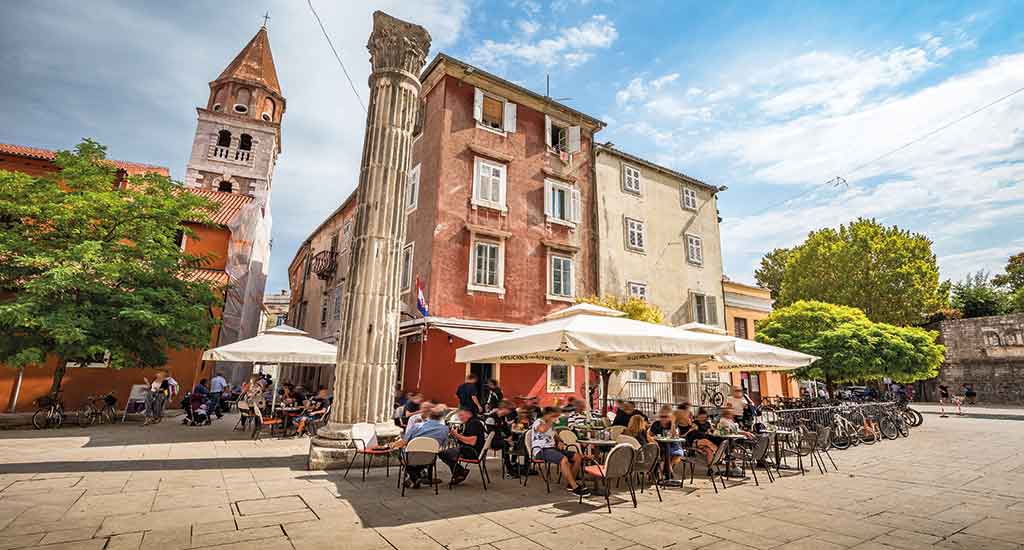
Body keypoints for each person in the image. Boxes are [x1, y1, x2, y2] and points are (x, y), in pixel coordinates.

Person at [530, 407, 590, 496]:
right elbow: (542, 429)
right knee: (563, 459)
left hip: (552, 449)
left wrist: (560, 441)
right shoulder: (538, 422)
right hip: (541, 450)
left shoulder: (550, 425)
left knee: (577, 457)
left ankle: (571, 484)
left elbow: (555, 436)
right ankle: (575, 487)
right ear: (546, 415)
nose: (555, 418)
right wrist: (550, 421)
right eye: (553, 415)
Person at [390, 406, 449, 488]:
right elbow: (443, 446)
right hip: (430, 459)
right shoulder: (445, 429)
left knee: (400, 454)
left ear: (429, 416)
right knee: (421, 456)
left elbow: (403, 442)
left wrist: (393, 445)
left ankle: (414, 477)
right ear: (441, 417)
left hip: (412, 458)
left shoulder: (417, 426)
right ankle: (416, 476)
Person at [440, 407, 488, 486]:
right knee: (447, 452)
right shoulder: (472, 422)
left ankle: (460, 472)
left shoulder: (474, 423)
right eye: (459, 416)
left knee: (443, 453)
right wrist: (457, 435)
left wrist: (456, 435)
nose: (460, 418)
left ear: (469, 414)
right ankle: (460, 473)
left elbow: (472, 442)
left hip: (472, 452)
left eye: (461, 415)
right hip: (472, 449)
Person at [484, 400, 521, 477]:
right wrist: (505, 440)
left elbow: (506, 429)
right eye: (509, 409)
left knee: (517, 441)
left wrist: (510, 436)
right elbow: (491, 435)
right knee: (505, 444)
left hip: (499, 439)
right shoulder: (491, 418)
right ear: (503, 408)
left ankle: (513, 463)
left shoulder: (502, 417)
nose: (510, 412)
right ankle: (509, 470)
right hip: (490, 441)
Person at [648, 406, 682, 478]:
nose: (663, 418)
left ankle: (667, 469)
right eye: (661, 416)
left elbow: (675, 435)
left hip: (673, 445)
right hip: (659, 445)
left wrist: (673, 423)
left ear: (670, 417)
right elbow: (649, 435)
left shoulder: (673, 424)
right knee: (663, 452)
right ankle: (667, 472)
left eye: (666, 416)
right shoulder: (656, 424)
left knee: (676, 453)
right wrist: (653, 440)